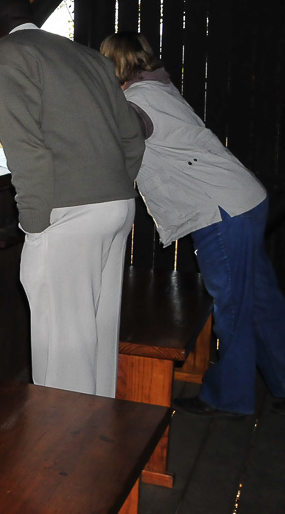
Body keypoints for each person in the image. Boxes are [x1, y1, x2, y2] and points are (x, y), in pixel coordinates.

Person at [99, 32, 285, 417]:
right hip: (242, 200)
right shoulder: (161, 90)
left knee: (232, 305)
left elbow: (128, 125)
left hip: (220, 210)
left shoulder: (138, 101)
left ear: (113, 64)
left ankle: (230, 399)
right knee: (261, 299)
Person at [0, 0, 145, 397]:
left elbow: (27, 151)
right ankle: (98, 438)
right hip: (117, 206)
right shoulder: (89, 57)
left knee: (62, 346)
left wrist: (35, 227)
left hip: (68, 216)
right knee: (99, 332)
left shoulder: (6, 55)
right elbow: (132, 136)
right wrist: (114, 188)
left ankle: (64, 456)